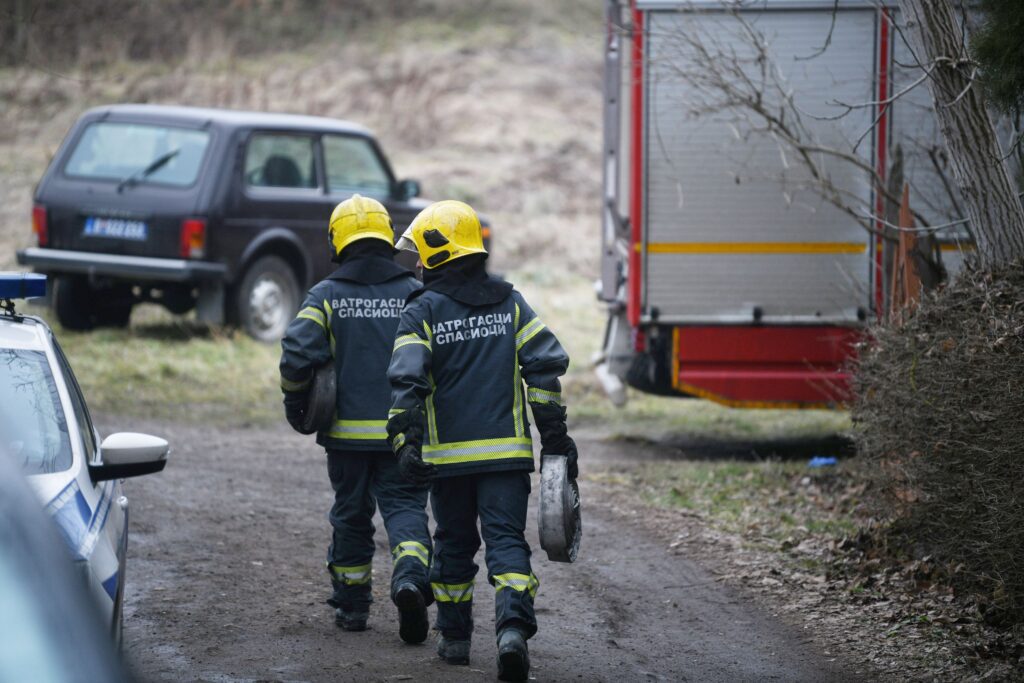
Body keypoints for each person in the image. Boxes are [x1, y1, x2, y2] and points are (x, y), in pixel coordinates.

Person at [386, 200, 577, 681]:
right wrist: (555, 438)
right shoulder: (511, 304)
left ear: (437, 251)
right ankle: (511, 631)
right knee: (507, 544)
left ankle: (454, 642)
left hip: (447, 463)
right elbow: (545, 370)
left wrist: (404, 445)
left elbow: (406, 383)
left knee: (452, 546)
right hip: (506, 459)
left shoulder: (421, 311)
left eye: (421, 254)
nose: (417, 263)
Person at [279, 194, 432, 644]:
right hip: (403, 435)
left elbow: (295, 353)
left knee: (350, 516)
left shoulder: (325, 296)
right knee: (406, 511)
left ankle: (352, 607)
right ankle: (409, 578)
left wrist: (297, 406)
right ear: (386, 238)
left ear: (337, 241)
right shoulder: (412, 293)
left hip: (345, 440)